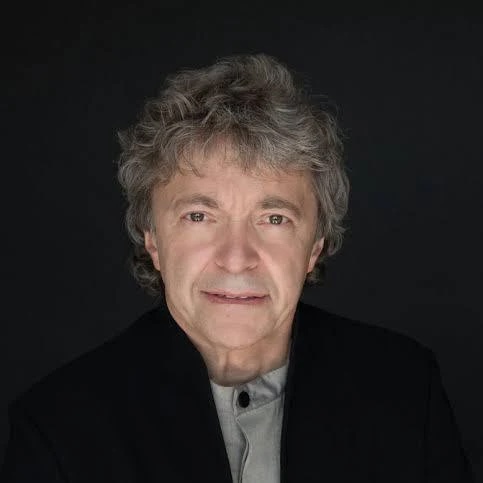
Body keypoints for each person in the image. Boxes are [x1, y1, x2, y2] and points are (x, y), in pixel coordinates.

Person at [1, 54, 473, 482]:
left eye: (274, 219)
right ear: (153, 240)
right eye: (199, 216)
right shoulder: (58, 429)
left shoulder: (406, 390)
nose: (236, 256)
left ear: (315, 246)